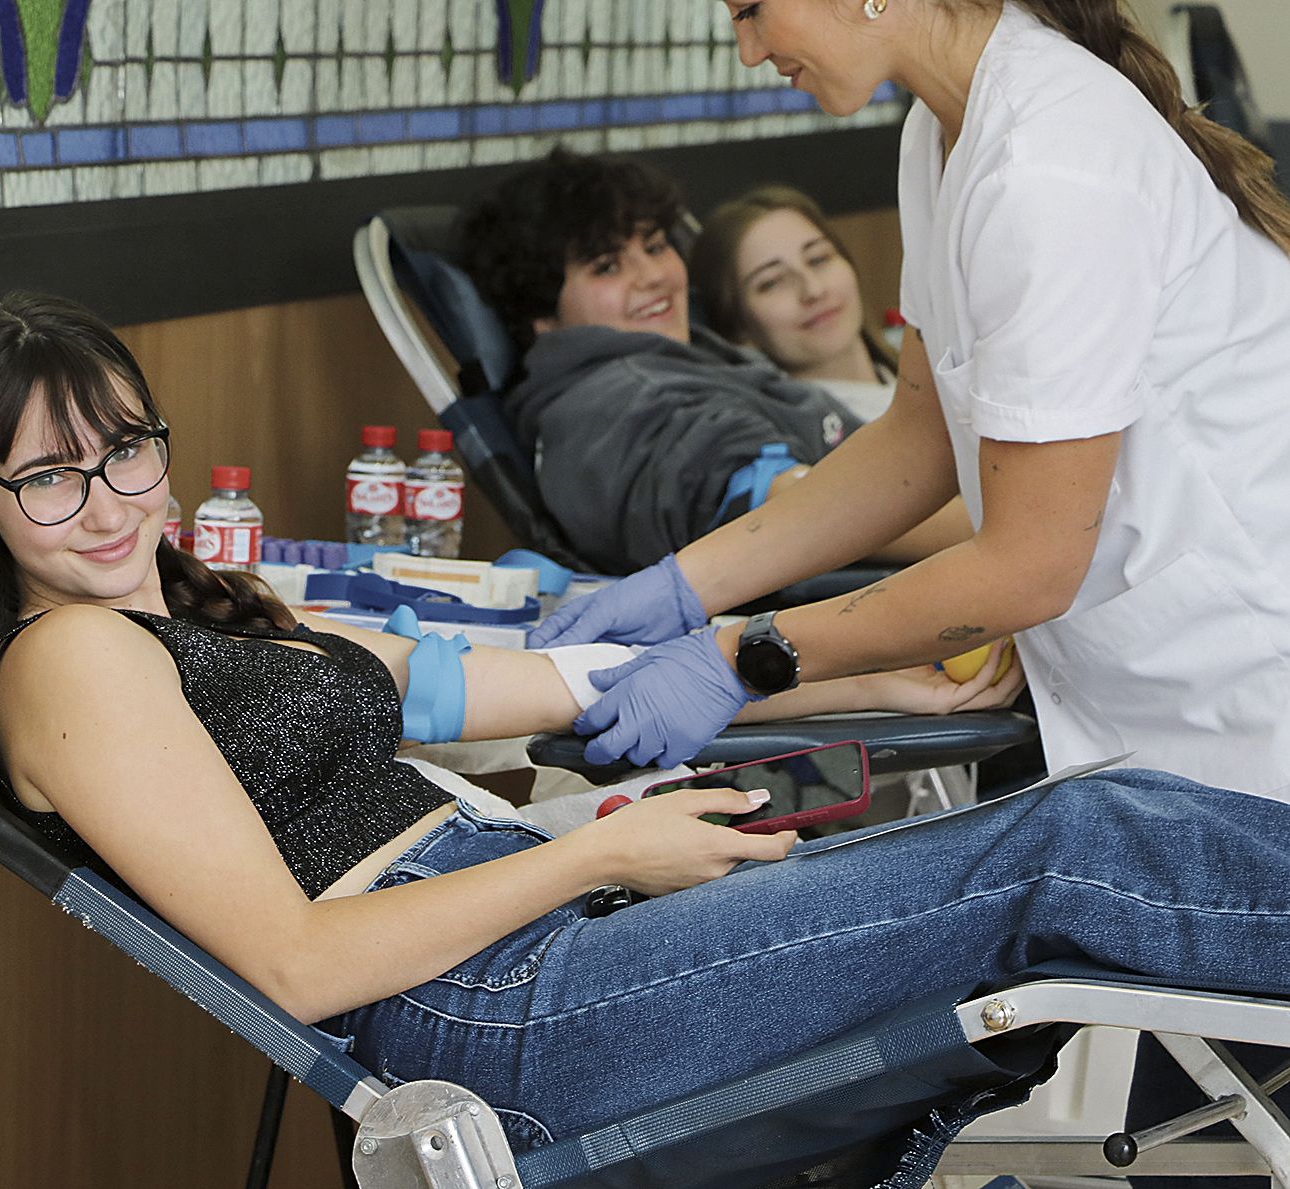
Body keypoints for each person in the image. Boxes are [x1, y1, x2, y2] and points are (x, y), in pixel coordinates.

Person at [0, 294, 1290, 1182]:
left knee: (1063, 833)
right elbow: (298, 963)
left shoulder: (220, 617)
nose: (103, 501)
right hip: (495, 1014)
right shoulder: (69, 660)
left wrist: (790, 675)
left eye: (124, 449)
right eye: (47, 474)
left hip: (546, 939)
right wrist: (589, 857)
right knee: (1061, 846)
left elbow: (550, 684)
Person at [531, 0, 1290, 803]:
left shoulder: (1051, 164)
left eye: (752, 12)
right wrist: (686, 582)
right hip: (1149, 692)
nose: (748, 50)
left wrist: (746, 656)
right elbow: (916, 443)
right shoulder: (941, 133)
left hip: (1246, 681)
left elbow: (1029, 568)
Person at [458, 148, 967, 574]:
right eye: (607, 266)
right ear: (540, 314)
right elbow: (780, 505)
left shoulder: (690, 359)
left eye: (655, 246)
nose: (653, 276)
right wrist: (1010, 524)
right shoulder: (619, 401)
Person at [690, 184, 900, 423]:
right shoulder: (798, 440)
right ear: (738, 328)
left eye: (818, 259)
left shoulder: (925, 364)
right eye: (772, 282)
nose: (814, 290)